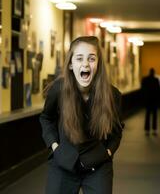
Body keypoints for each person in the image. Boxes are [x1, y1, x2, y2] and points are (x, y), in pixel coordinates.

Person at [40, 36, 124, 194]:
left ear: (98, 64)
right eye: (79, 58)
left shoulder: (112, 95)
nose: (85, 64)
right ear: (71, 64)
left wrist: (107, 153)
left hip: (98, 167)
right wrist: (55, 147)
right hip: (63, 163)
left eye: (91, 58)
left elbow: (117, 131)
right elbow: (46, 118)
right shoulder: (58, 89)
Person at [141, 68, 160, 136]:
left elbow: (143, 90)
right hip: (154, 100)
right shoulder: (156, 80)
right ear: (153, 73)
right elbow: (158, 91)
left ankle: (147, 130)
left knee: (148, 115)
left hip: (148, 100)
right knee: (154, 116)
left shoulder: (145, 79)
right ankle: (154, 130)